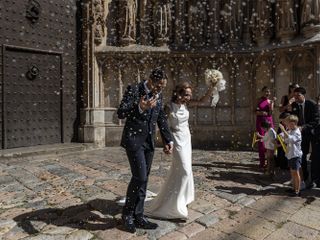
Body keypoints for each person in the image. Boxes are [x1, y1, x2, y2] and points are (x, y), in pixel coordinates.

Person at [145, 82, 215, 220]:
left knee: (184, 168)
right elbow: (162, 125)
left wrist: (211, 87)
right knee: (184, 169)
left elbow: (203, 100)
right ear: (179, 93)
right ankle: (174, 205)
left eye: (190, 95)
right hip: (175, 139)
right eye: (186, 94)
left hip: (186, 137)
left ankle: (182, 198)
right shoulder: (169, 106)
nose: (188, 97)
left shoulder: (185, 104)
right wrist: (165, 142)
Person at [117, 67, 173, 233]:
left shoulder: (159, 94)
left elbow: (161, 117)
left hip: (149, 142)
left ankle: (139, 215)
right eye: (159, 86)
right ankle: (127, 215)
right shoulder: (134, 89)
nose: (161, 89)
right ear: (151, 80)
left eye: (163, 87)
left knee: (144, 179)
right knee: (139, 176)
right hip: (134, 140)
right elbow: (121, 112)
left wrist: (167, 139)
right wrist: (139, 107)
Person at [289, 87, 319, 188]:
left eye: (298, 96)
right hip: (302, 135)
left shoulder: (312, 104)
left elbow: (316, 120)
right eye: (295, 96)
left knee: (315, 157)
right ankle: (303, 178)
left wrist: (303, 127)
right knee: (302, 156)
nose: (296, 98)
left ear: (303, 95)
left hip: (314, 134)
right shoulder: (294, 105)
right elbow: (293, 120)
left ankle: (314, 179)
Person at [279, 115, 302, 197]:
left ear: (293, 123)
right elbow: (286, 139)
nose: (287, 126)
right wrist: (283, 134)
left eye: (288, 124)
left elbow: (291, 140)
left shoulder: (297, 132)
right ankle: (293, 188)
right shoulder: (291, 130)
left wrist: (283, 130)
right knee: (292, 173)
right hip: (290, 155)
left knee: (296, 173)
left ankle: (297, 191)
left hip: (295, 155)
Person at [255, 86, 275, 169]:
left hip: (269, 121)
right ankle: (262, 162)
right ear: (262, 92)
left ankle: (269, 163)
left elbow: (271, 113)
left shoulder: (271, 101)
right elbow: (254, 111)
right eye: (266, 91)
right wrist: (260, 112)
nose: (267, 93)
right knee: (261, 142)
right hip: (260, 122)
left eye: (269, 92)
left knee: (270, 141)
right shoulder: (258, 100)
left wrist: (270, 106)